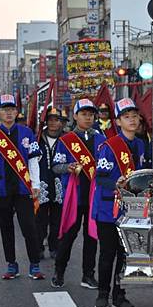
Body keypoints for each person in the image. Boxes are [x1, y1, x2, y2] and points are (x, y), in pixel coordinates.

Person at [0, 94, 45, 280]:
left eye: (11, 109)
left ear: (17, 112)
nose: (8, 113)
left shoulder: (27, 133)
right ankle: (11, 265)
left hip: (24, 189)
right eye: (4, 110)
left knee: (29, 227)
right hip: (1, 189)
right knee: (6, 228)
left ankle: (34, 264)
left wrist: (36, 184)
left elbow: (33, 161)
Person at [92, 98, 145, 307]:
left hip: (131, 209)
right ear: (118, 122)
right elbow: (100, 177)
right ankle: (103, 292)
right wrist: (118, 185)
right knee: (107, 253)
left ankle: (119, 293)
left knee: (125, 254)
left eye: (134, 116)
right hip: (108, 209)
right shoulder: (110, 146)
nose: (132, 120)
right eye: (126, 117)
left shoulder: (142, 144)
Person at [51, 98, 105, 290]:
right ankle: (59, 271)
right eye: (84, 114)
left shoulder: (101, 139)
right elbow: (55, 166)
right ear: (75, 116)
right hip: (74, 195)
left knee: (92, 236)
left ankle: (88, 275)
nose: (88, 117)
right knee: (68, 235)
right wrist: (69, 167)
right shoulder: (66, 140)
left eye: (91, 114)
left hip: (94, 196)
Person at [36, 107, 67, 260]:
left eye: (57, 120)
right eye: (51, 119)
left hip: (60, 184)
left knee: (57, 219)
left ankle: (54, 246)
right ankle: (39, 247)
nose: (54, 123)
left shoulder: (67, 139)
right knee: (40, 218)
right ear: (46, 122)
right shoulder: (37, 139)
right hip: (42, 183)